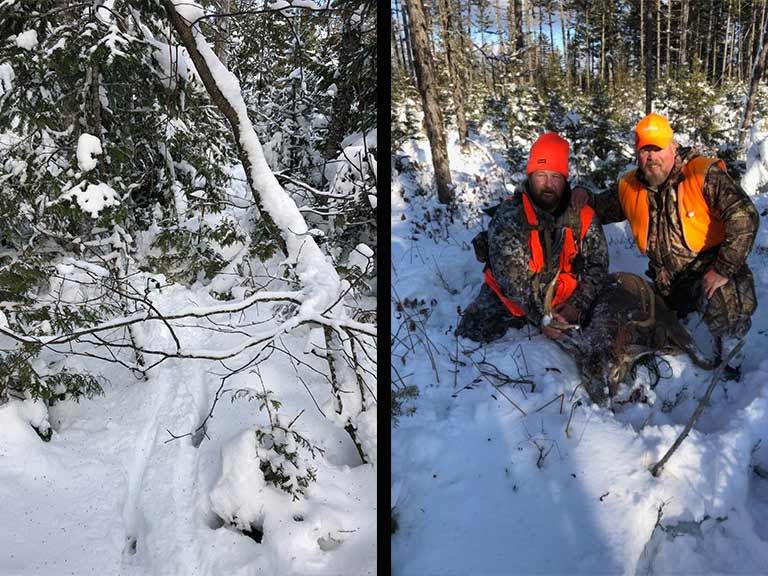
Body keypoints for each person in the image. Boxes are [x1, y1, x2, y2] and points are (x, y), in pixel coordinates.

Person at [573, 112, 759, 379]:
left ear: (672, 147)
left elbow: (745, 217)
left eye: (657, 149)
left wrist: (723, 268)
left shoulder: (703, 174)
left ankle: (732, 360)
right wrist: (581, 194)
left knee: (729, 299)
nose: (652, 157)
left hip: (709, 271)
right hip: (666, 283)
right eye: (644, 150)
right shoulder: (630, 186)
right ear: (637, 154)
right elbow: (596, 209)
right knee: (623, 301)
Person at [457, 133, 609, 343]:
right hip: (515, 299)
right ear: (530, 175)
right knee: (470, 334)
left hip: (565, 299)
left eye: (555, 176)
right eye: (541, 175)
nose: (548, 184)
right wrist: (542, 318)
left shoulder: (583, 215)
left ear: (565, 180)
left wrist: (578, 305)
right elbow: (511, 280)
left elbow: (597, 266)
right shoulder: (510, 215)